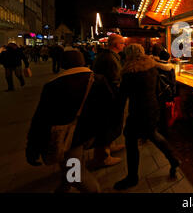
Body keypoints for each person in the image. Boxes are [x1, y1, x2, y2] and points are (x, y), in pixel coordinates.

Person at [25, 50, 115, 193]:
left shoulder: (53, 86)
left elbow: (41, 119)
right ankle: (64, 187)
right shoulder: (98, 80)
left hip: (69, 137)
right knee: (72, 165)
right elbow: (109, 109)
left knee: (76, 173)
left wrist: (32, 148)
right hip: (88, 133)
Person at [114, 44, 180, 190]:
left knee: (131, 141)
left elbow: (122, 98)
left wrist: (117, 117)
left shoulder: (129, 72)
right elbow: (157, 89)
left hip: (137, 111)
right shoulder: (151, 67)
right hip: (153, 108)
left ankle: (132, 177)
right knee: (153, 134)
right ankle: (173, 159)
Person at [90, 34, 126, 167]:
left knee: (109, 124)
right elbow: (115, 79)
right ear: (116, 45)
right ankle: (103, 157)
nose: (124, 45)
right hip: (108, 97)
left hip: (104, 95)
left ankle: (109, 146)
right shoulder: (110, 59)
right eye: (122, 43)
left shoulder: (106, 55)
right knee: (107, 124)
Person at [152, 44, 177, 137]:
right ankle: (165, 131)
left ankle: (159, 128)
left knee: (160, 111)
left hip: (158, 93)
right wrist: (173, 96)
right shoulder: (170, 68)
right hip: (167, 93)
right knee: (166, 113)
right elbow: (173, 83)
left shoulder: (154, 66)